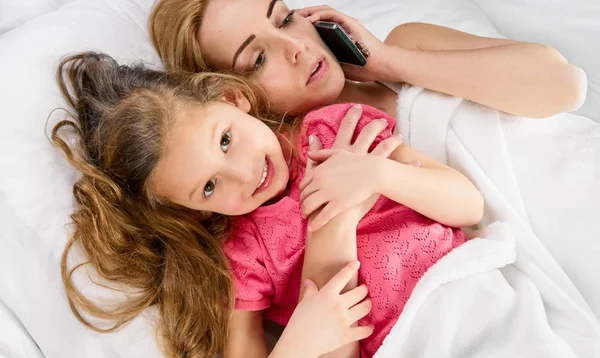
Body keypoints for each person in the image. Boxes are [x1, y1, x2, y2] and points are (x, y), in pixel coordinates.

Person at [52, 51, 484, 358]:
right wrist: (298, 343)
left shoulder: (336, 131)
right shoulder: (243, 255)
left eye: (225, 140)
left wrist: (379, 174)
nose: (244, 174)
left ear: (232, 99)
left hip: (475, 289)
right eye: (208, 187)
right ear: (195, 212)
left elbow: (469, 206)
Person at [148, 0, 587, 120]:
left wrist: (388, 62)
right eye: (258, 58)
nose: (295, 47)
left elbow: (564, 85)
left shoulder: (408, 44)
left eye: (285, 19)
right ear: (234, 95)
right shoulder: (314, 167)